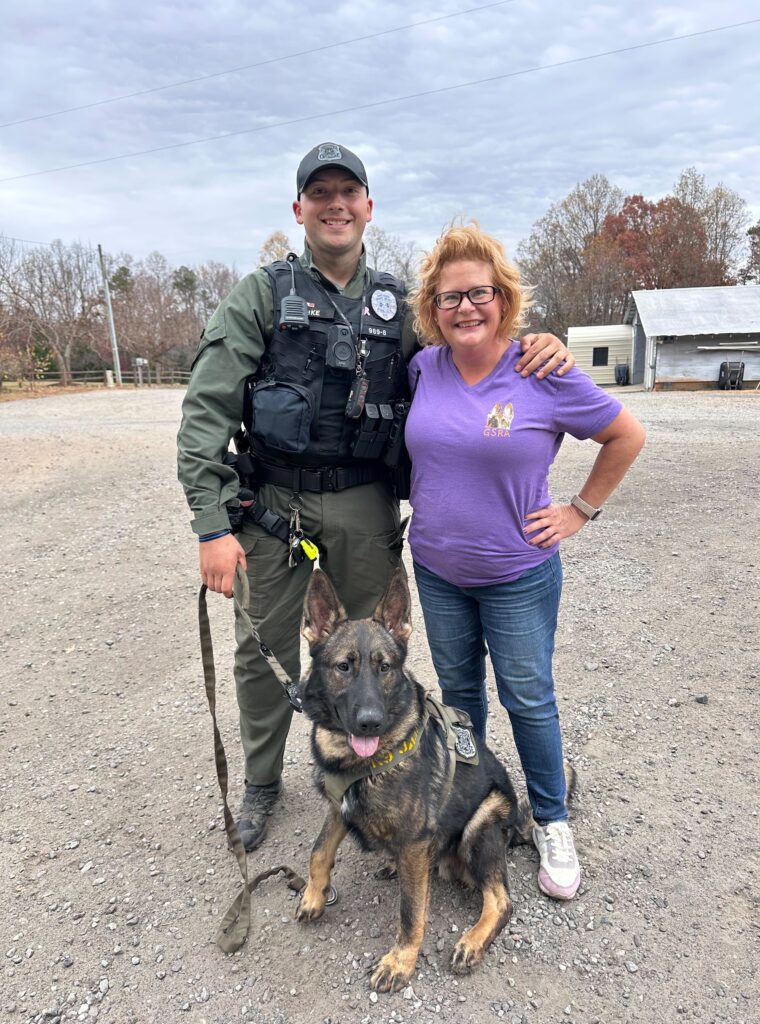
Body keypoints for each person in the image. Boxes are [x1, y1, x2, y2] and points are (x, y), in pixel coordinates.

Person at [177, 144, 574, 852]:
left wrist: (531, 346)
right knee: (263, 649)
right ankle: (264, 783)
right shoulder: (261, 295)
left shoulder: (400, 306)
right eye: (319, 193)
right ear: (299, 210)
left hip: (365, 503)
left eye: (348, 192)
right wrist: (212, 525)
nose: (335, 204)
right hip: (275, 506)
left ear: (368, 206)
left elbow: (470, 342)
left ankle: (383, 785)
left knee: (369, 656)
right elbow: (206, 410)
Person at [405, 222, 646, 900]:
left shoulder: (543, 370)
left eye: (478, 293)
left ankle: (551, 818)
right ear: (433, 309)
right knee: (459, 702)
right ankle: (468, 807)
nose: (465, 308)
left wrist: (580, 509)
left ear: (502, 298)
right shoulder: (423, 368)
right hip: (438, 571)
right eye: (449, 298)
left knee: (528, 698)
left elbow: (626, 435)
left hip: (517, 574)